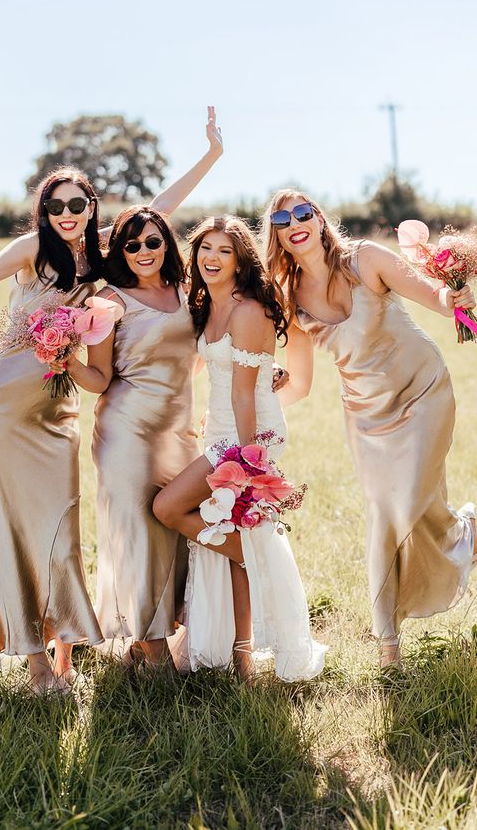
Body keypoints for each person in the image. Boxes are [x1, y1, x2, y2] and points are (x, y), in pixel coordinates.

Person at [0, 110, 224, 694]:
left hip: (58, 410)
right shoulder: (33, 249)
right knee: (16, 526)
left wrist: (210, 155)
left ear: (91, 211)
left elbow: (161, 207)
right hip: (5, 403)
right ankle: (38, 667)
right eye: (56, 206)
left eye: (77, 206)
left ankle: (64, 648)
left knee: (60, 530)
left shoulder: (104, 250)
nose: (67, 215)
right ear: (44, 211)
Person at [263, 189, 477, 667]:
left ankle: (462, 533)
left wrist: (455, 295)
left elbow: (435, 298)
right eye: (282, 219)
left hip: (422, 390)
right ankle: (388, 644)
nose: (295, 222)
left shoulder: (366, 259)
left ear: (319, 220)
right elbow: (299, 384)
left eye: (303, 212)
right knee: (384, 515)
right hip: (366, 415)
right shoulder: (289, 298)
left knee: (410, 501)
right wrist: (249, 400)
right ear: (277, 235)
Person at [153, 217, 326, 681]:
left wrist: (249, 463)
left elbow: (244, 393)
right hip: (222, 431)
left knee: (168, 507)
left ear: (240, 259)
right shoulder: (204, 304)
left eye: (224, 251)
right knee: (229, 538)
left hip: (247, 435)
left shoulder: (248, 310)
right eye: (205, 248)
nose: (211, 258)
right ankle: (242, 656)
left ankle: (252, 554)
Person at [66, 206, 199, 667]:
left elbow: (197, 356)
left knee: (177, 533)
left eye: (153, 242)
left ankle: (157, 638)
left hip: (180, 433)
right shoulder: (109, 301)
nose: (144, 251)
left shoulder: (186, 292)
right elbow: (100, 378)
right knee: (138, 533)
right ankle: (151, 646)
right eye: (132, 245)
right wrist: (60, 356)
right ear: (120, 252)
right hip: (128, 433)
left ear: (166, 243)